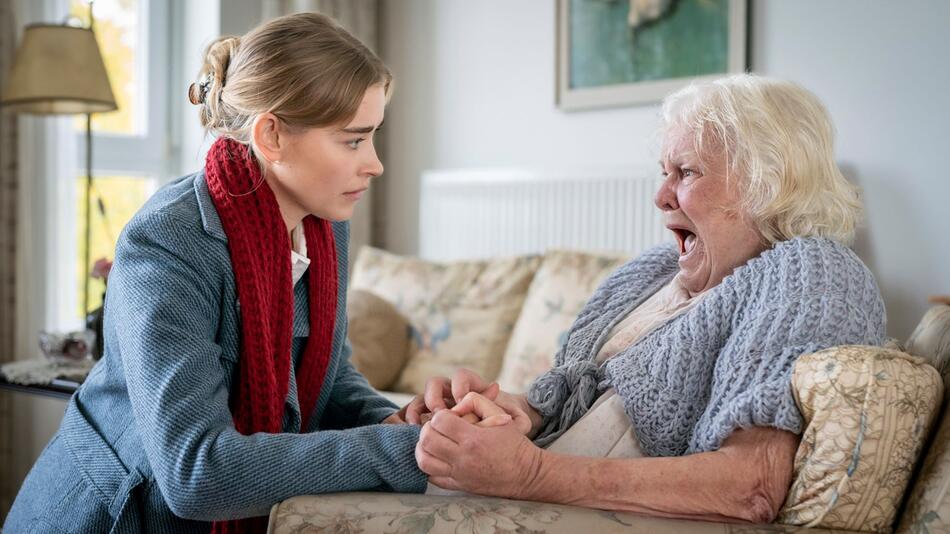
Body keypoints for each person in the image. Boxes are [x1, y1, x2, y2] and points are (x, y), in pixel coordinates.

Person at [5, 12, 433, 533]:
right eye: (353, 141)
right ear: (271, 135)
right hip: (114, 519)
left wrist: (395, 419)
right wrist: (403, 450)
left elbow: (325, 376)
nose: (375, 164)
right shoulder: (166, 243)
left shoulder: (323, 226)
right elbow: (195, 472)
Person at [409, 74, 887, 524]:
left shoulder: (809, 272)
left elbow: (753, 484)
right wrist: (510, 410)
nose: (660, 195)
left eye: (686, 172)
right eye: (664, 171)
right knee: (372, 433)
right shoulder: (655, 270)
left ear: (768, 183)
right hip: (519, 487)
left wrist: (530, 474)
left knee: (350, 454)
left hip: (568, 511)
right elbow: (582, 397)